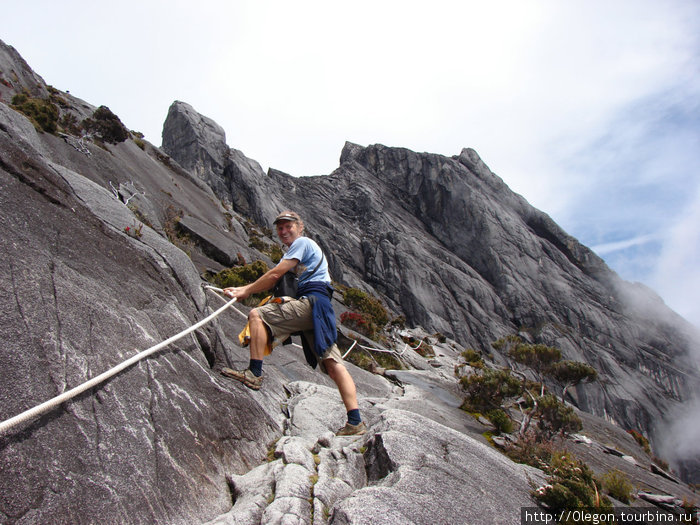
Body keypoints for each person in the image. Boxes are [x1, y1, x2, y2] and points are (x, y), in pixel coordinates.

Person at [221, 211, 366, 436]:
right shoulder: (305, 248)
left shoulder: (302, 243)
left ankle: (254, 373)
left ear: (300, 227)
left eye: (288, 226)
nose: (283, 231)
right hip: (322, 308)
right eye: (280, 228)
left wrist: (244, 290)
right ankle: (355, 422)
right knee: (332, 363)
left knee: (257, 315)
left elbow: (275, 275)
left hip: (312, 303)